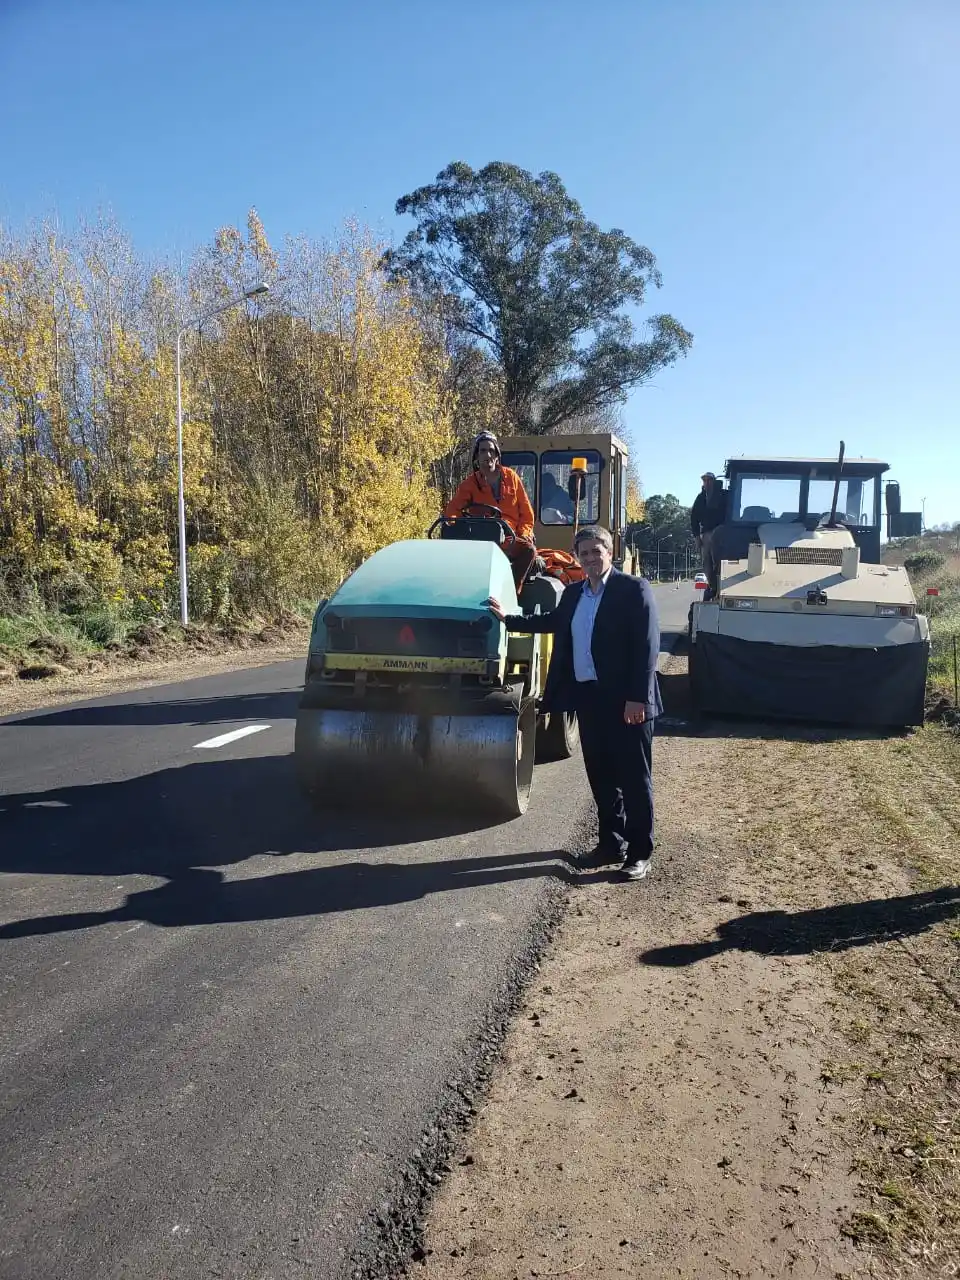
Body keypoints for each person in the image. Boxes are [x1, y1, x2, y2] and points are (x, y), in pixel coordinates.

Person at [487, 525, 662, 881]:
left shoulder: (633, 589)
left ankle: (640, 853)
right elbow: (552, 622)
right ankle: (611, 844)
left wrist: (638, 698)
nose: (591, 558)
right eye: (584, 553)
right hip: (589, 699)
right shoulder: (573, 593)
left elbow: (647, 647)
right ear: (577, 558)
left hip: (627, 703)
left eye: (597, 551)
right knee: (601, 777)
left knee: (634, 779)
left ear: (610, 553)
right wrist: (509, 618)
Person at [444, 432, 537, 590]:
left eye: (491, 450)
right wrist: (454, 526)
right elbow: (452, 511)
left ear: (497, 455)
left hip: (509, 538)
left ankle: (511, 593)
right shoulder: (469, 484)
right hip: (481, 542)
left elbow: (527, 514)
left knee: (528, 550)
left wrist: (523, 534)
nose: (487, 455)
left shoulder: (512, 478)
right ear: (476, 456)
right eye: (483, 451)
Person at [690, 470, 726, 596]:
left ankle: (723, 584)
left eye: (709, 480)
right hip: (707, 533)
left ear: (714, 481)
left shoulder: (723, 495)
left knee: (721, 560)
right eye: (704, 480)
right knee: (706, 560)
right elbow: (694, 518)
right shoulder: (701, 498)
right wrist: (696, 537)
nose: (706, 482)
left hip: (723, 532)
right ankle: (712, 586)